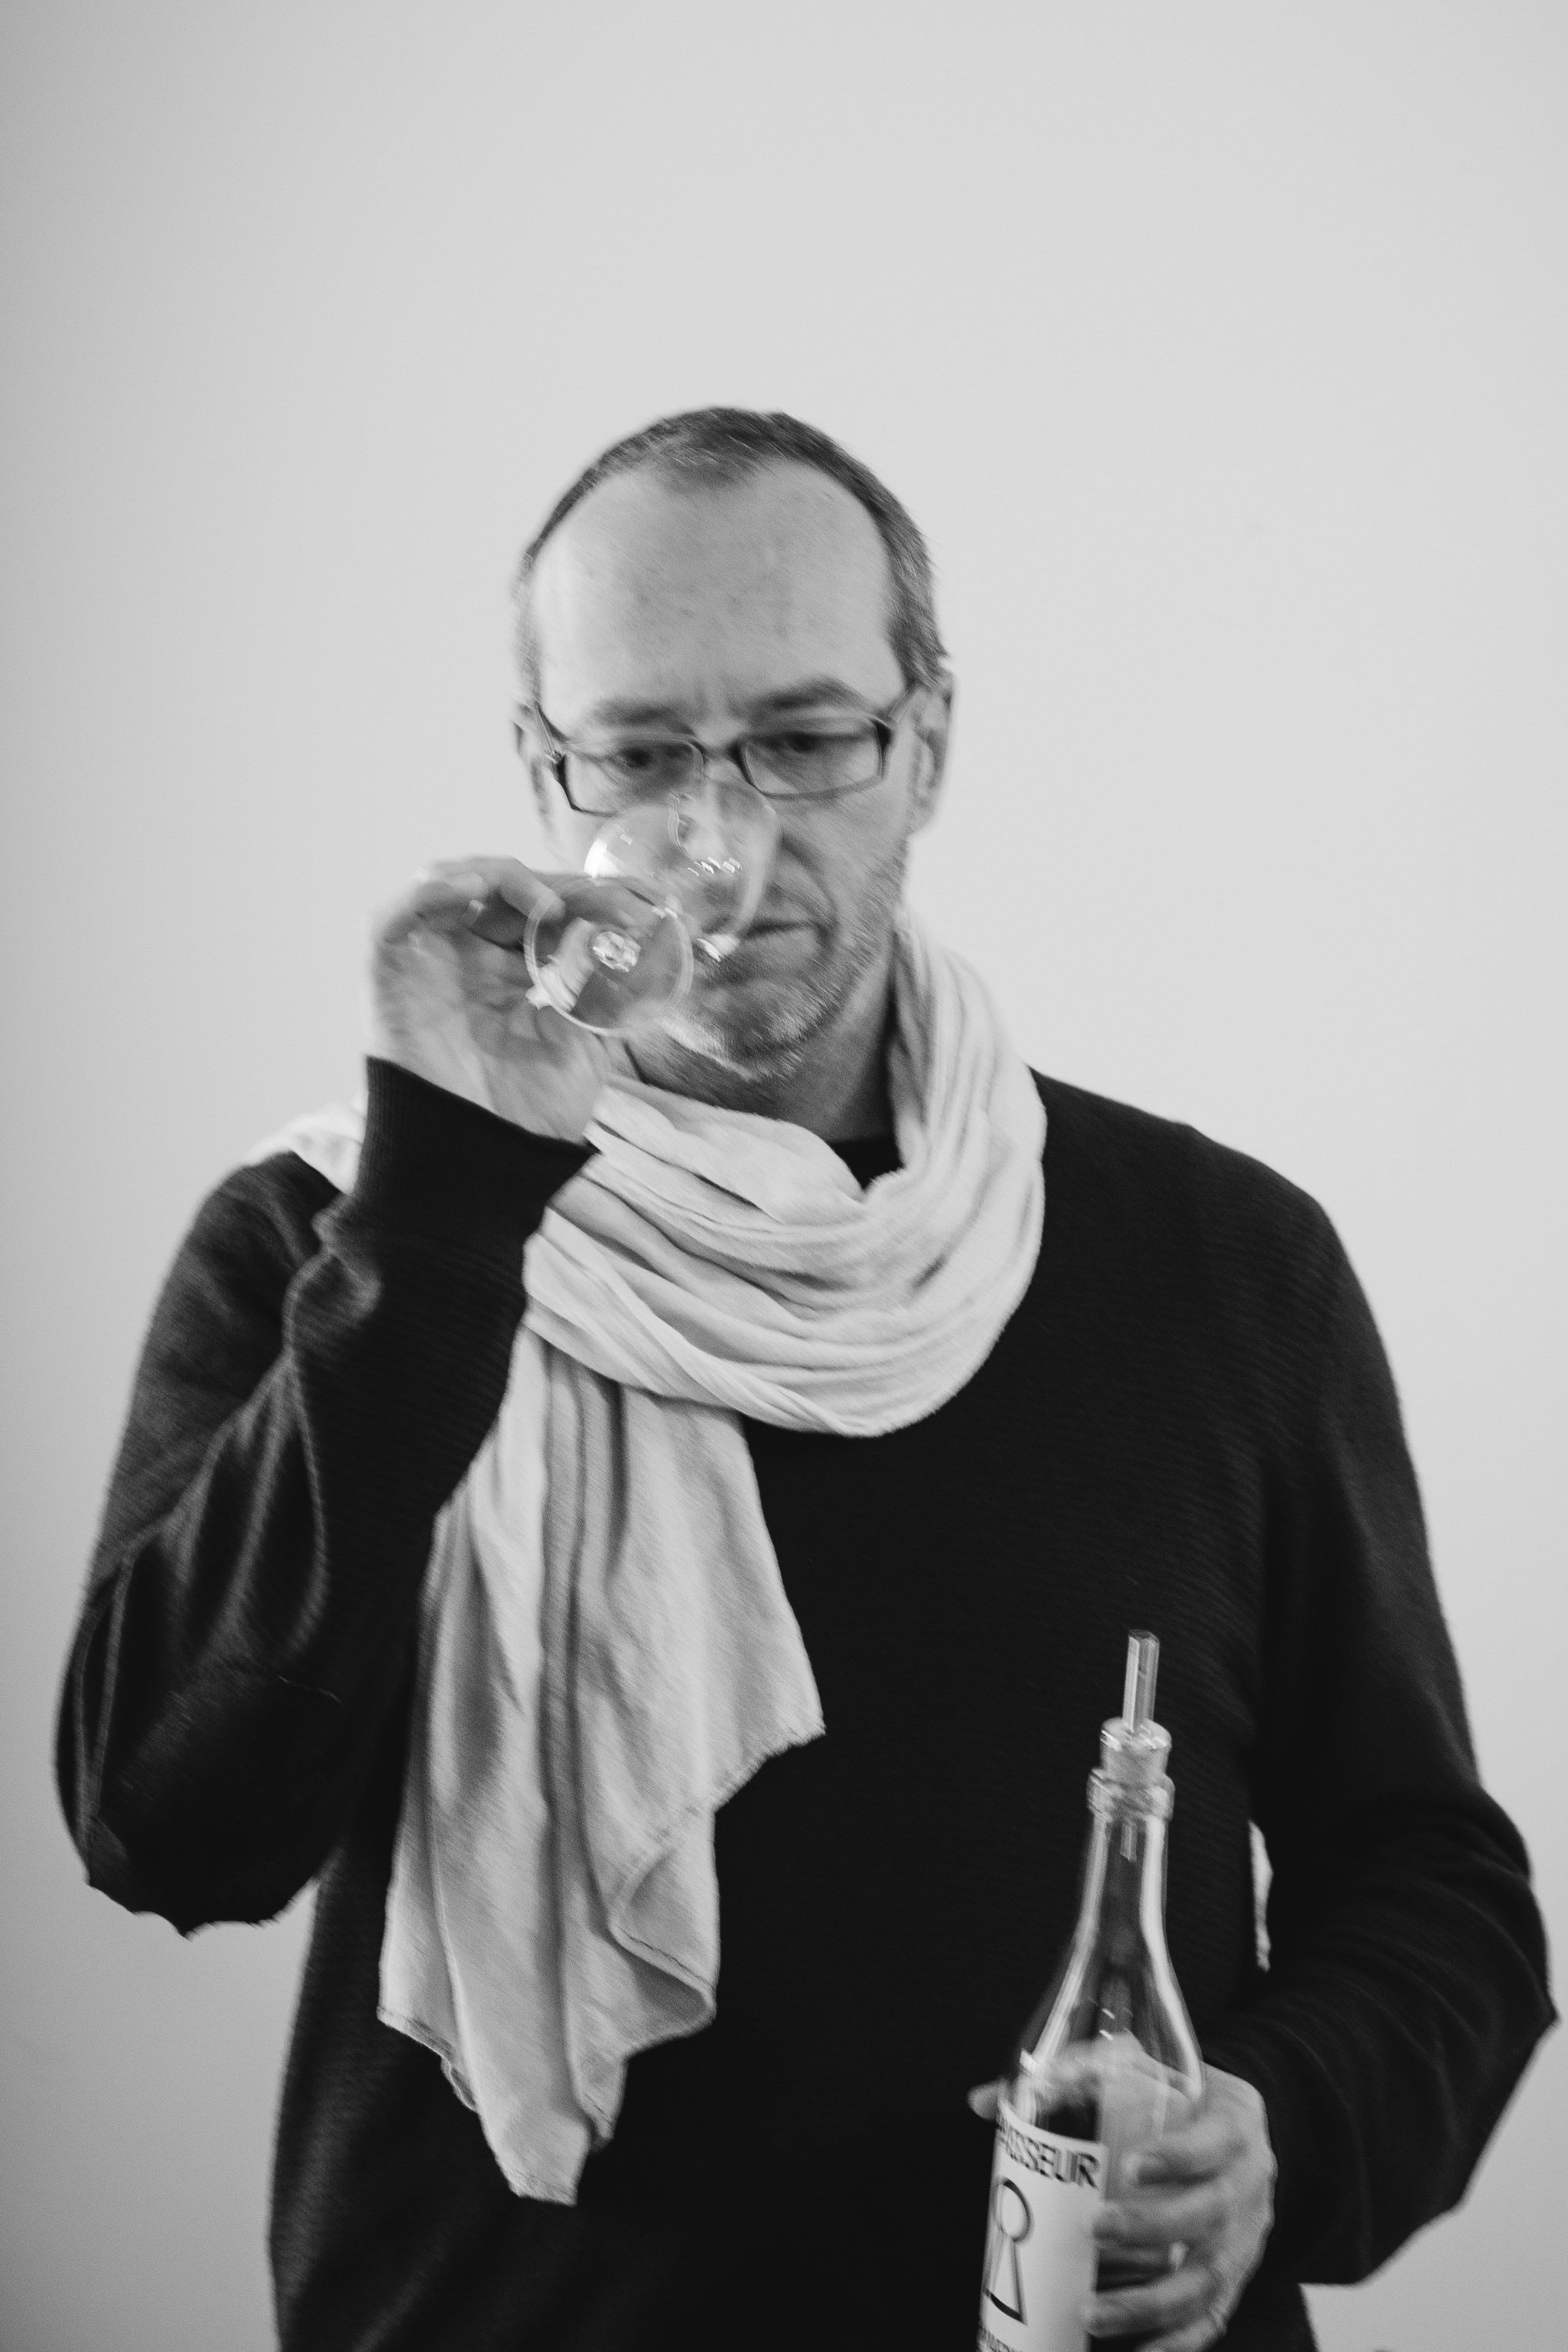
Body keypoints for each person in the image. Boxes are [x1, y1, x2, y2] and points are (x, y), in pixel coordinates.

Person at [57, 408, 1553, 2352]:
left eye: (804, 739)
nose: (728, 841)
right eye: (642, 754)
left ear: (926, 741)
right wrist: (442, 1211)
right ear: (544, 766)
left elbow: (1432, 1882)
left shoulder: (1221, 1266)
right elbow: (165, 1829)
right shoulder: (331, 1240)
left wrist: (1282, 2122)